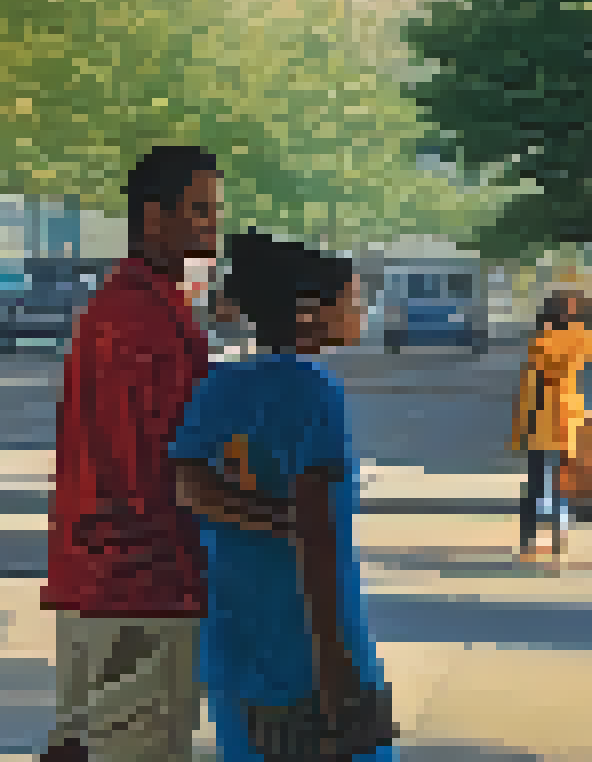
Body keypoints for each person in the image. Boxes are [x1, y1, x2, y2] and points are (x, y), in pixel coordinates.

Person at [168, 231, 396, 762]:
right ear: (310, 312)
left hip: (233, 636)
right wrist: (336, 668)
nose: (360, 312)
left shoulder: (218, 388)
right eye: (353, 300)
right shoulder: (318, 394)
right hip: (309, 650)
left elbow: (191, 488)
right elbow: (317, 538)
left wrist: (270, 516)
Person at [42, 147, 221, 762]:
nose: (212, 227)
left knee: (84, 742)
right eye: (199, 212)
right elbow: (154, 466)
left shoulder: (135, 308)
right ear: (154, 218)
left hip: (105, 581)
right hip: (143, 584)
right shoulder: (141, 321)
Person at [513, 293, 592, 570]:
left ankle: (528, 542)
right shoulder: (586, 340)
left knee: (536, 483)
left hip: (542, 417)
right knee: (564, 482)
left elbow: (531, 387)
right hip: (572, 417)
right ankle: (559, 537)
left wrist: (521, 427)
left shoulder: (540, 343)